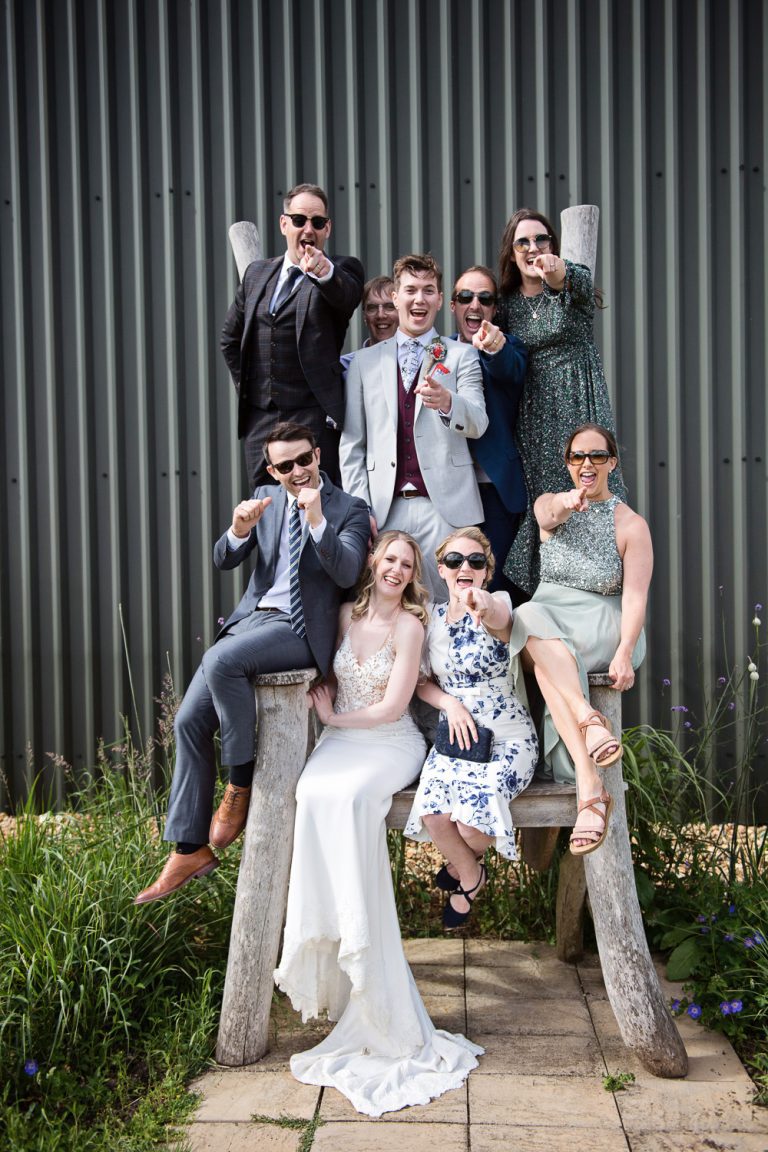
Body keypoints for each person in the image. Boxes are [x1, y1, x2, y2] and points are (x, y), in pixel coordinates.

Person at [274, 531, 482, 1116]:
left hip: (389, 743)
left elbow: (393, 707)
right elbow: (325, 669)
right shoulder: (344, 614)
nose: (394, 569)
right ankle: (335, 941)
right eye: (388, 559)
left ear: (414, 574)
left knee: (352, 798)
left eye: (405, 564)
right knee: (313, 791)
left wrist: (333, 715)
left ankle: (370, 958)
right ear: (373, 562)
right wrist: (328, 713)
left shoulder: (410, 626)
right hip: (341, 741)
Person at [134, 423, 369, 905]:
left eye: (304, 459)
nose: (298, 471)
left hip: (301, 631)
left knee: (219, 658)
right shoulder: (265, 499)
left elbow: (346, 570)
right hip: (252, 621)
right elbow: (224, 559)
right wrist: (238, 530)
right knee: (187, 723)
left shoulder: (349, 509)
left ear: (318, 455)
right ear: (273, 471)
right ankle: (188, 848)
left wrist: (318, 520)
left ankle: (240, 782)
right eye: (286, 466)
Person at [513, 424, 652, 854]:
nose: (586, 464)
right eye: (577, 457)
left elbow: (634, 597)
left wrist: (625, 651)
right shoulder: (548, 504)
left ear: (612, 462)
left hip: (605, 618)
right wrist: (569, 503)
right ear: (568, 464)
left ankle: (590, 782)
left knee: (538, 649)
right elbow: (550, 513)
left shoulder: (631, 524)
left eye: (596, 456)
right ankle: (589, 740)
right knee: (526, 617)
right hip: (551, 612)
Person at [404, 527, 537, 925]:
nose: (465, 567)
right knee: (433, 814)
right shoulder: (431, 621)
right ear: (441, 569)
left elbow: (498, 618)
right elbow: (420, 680)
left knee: (470, 824)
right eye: (455, 560)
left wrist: (479, 602)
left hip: (507, 738)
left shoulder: (498, 605)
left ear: (485, 571)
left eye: (475, 561)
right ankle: (472, 872)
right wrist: (448, 702)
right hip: (456, 737)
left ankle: (465, 867)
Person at [340, 253, 488, 598]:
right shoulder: (364, 362)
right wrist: (362, 511)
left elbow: (479, 421)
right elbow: (352, 445)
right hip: (384, 510)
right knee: (387, 608)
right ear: (395, 297)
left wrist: (449, 402)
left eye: (428, 290)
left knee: (450, 608)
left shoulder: (460, 356)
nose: (419, 299)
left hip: (447, 509)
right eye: (410, 290)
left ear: (439, 299)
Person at [495, 208, 625, 595]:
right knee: (549, 507)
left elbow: (574, 277)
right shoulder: (506, 306)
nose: (533, 248)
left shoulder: (571, 287)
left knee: (593, 489)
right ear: (511, 251)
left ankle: (603, 592)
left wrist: (556, 270)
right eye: (523, 242)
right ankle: (547, 599)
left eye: (541, 239)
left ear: (553, 243)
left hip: (581, 406)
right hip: (534, 418)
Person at [221, 183, 364, 488]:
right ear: (284, 223)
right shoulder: (257, 274)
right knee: (266, 512)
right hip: (261, 421)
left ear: (328, 228)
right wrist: (253, 390)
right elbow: (230, 340)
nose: (308, 228)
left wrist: (324, 273)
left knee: (316, 507)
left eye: (317, 222)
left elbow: (347, 296)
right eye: (299, 220)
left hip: (313, 420)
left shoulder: (341, 270)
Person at [450, 266, 528, 598]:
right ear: (452, 305)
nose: (475, 304)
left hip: (493, 490)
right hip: (448, 491)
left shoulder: (508, 347)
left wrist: (493, 348)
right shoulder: (438, 353)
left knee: (495, 587)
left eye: (485, 298)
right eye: (465, 297)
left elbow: (509, 367)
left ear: (495, 309)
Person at [340, 274, 398, 375]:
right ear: (364, 316)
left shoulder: (421, 364)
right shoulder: (345, 368)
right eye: (372, 308)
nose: (381, 315)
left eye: (389, 307)